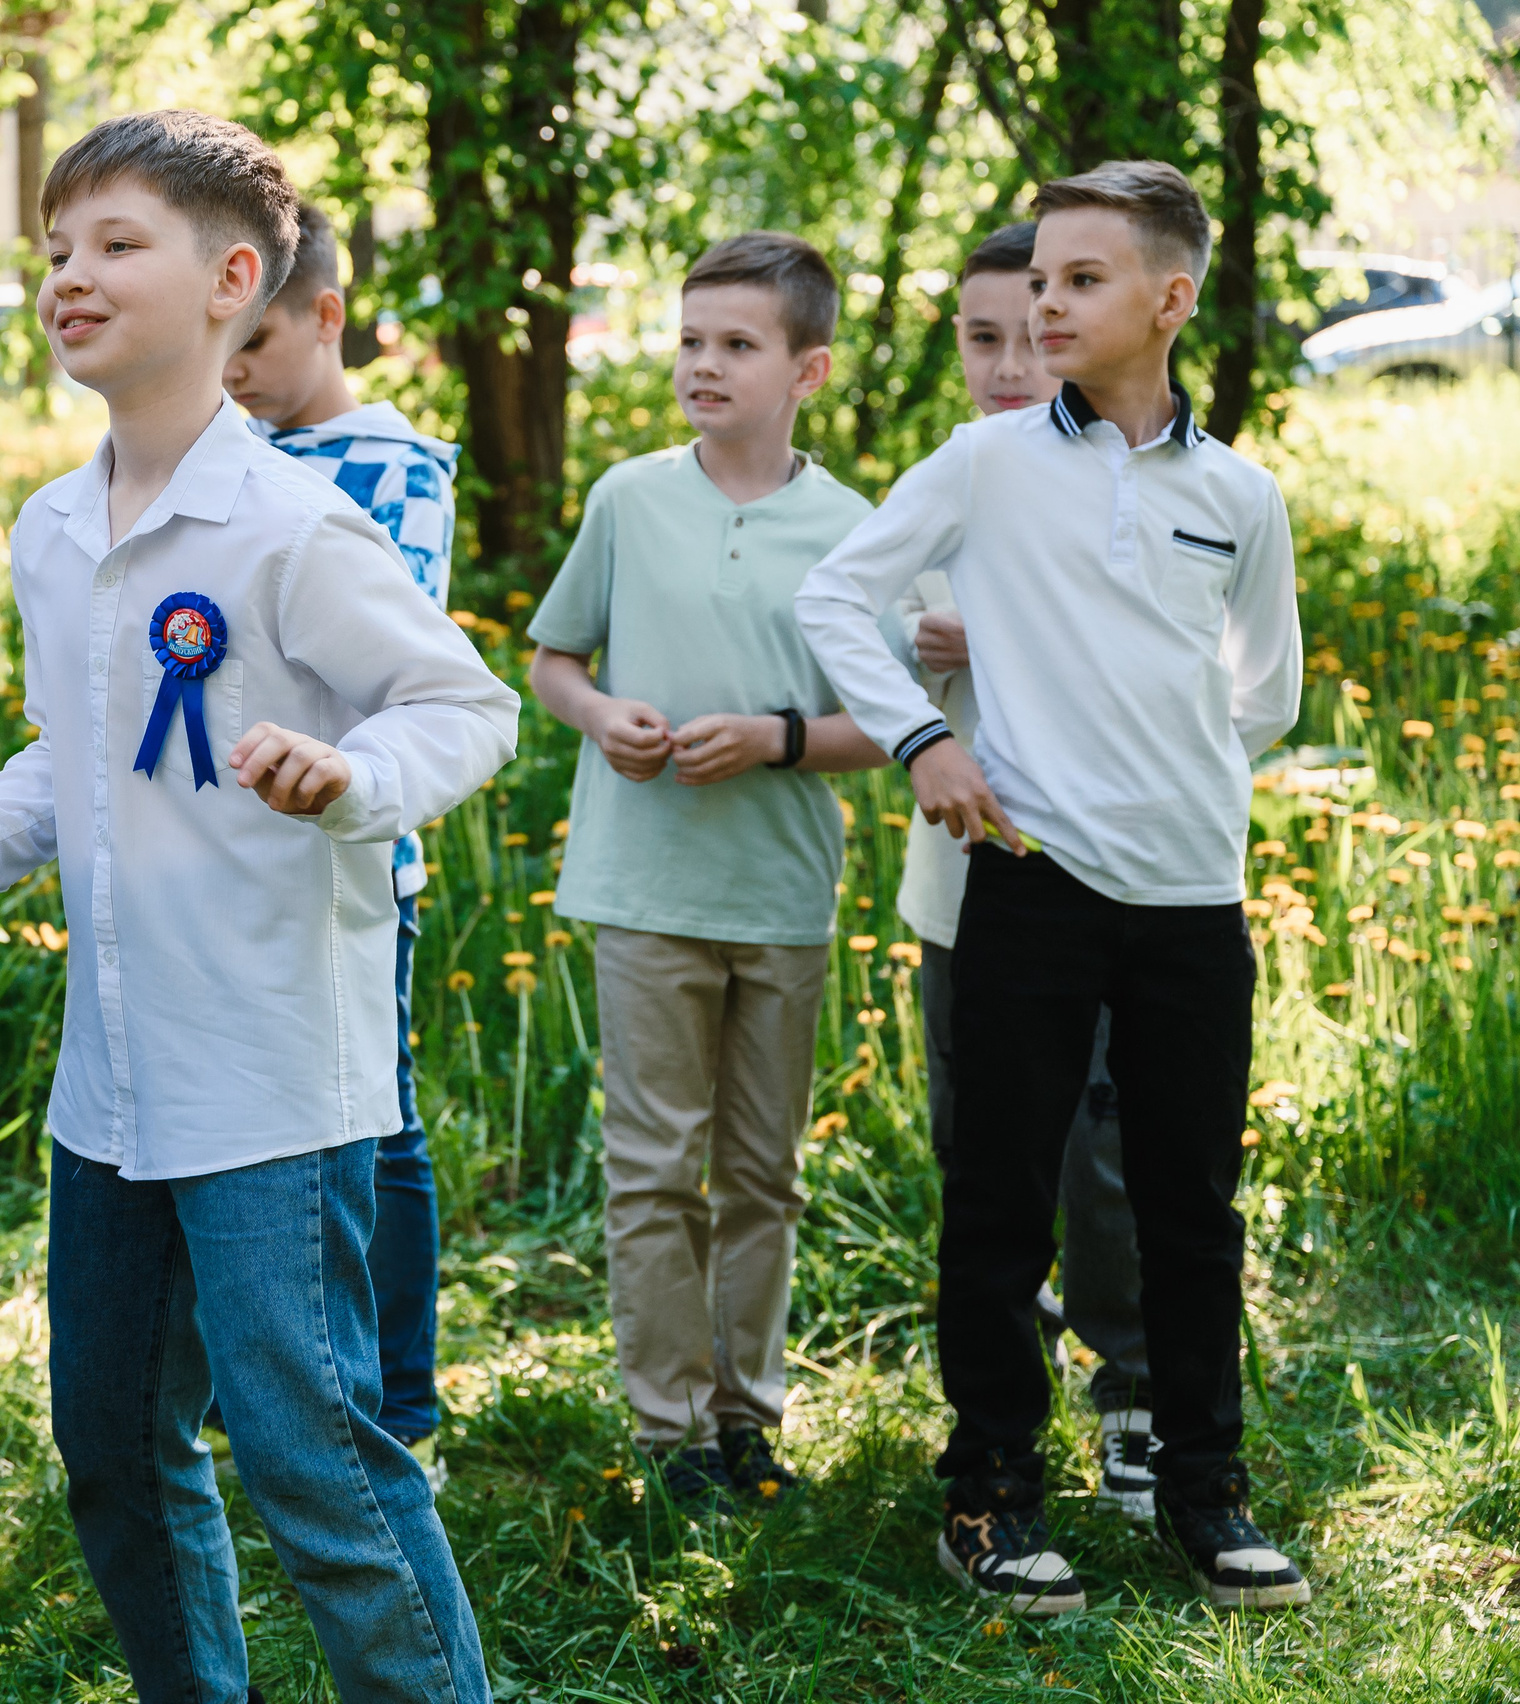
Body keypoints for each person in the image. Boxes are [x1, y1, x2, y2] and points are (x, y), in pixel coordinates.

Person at [0, 111, 515, 1704]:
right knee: (111, 1449)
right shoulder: (55, 528)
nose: (70, 276)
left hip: (275, 1084)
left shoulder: (291, 522)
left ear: (234, 282)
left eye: (115, 244)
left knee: (318, 1463)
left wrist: (349, 779)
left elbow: (465, 708)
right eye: (57, 248)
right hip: (113, 1090)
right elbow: (72, 756)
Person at [796, 160, 1308, 1614]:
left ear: (1170, 298)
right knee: (1003, 1202)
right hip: (1027, 879)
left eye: (1084, 281)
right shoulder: (991, 461)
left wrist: (1173, 777)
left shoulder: (1240, 494)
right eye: (1039, 283)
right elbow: (835, 594)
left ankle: (1205, 1497)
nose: (1048, 306)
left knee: (1189, 1208)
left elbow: (1259, 696)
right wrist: (926, 741)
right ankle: (992, 1499)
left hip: (1192, 897)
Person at [524, 232, 884, 1509]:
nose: (703, 366)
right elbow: (554, 658)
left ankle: (749, 1412)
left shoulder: (855, 531)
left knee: (763, 1173)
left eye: (738, 345)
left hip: (780, 895)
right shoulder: (628, 498)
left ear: (808, 370)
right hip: (643, 890)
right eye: (689, 341)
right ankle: (670, 1427)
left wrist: (776, 740)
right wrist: (597, 716)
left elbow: (887, 723)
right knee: (651, 1167)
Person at [891, 220, 1155, 1526]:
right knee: (981, 1156)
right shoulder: (941, 488)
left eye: (1034, 333)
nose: (1010, 362)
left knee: (1103, 1163)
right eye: (983, 338)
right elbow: (857, 642)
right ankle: (1006, 1406)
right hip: (961, 902)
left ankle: (1139, 1405)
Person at [222, 201, 460, 1484]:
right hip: (234, 862)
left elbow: (391, 659)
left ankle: (400, 1404)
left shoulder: (392, 467)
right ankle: (273, 1382)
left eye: (255, 339)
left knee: (382, 1127)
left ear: (325, 314)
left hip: (361, 858)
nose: (233, 368)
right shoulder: (228, 452)